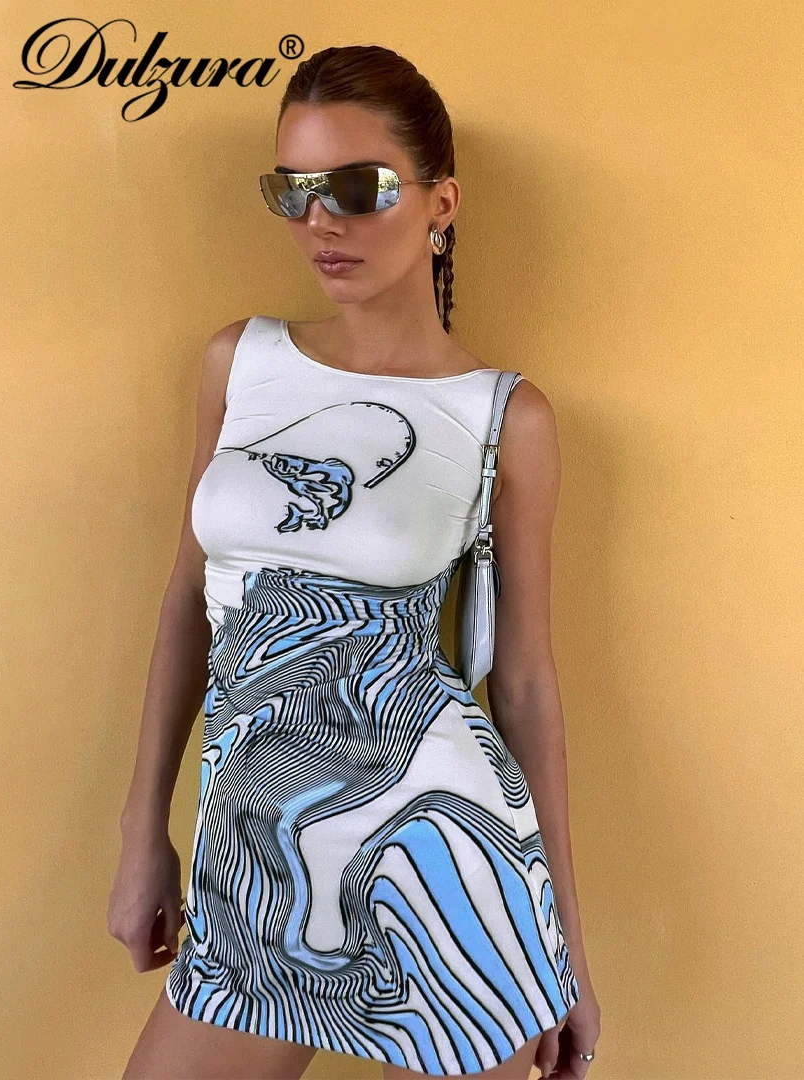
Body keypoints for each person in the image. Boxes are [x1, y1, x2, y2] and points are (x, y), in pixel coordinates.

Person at [110, 43, 601, 1080]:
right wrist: (142, 828)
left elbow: (524, 684)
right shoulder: (238, 363)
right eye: (291, 191)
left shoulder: (504, 418)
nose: (321, 221)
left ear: (441, 202)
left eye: (358, 186)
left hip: (445, 868)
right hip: (251, 855)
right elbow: (187, 603)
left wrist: (569, 953)